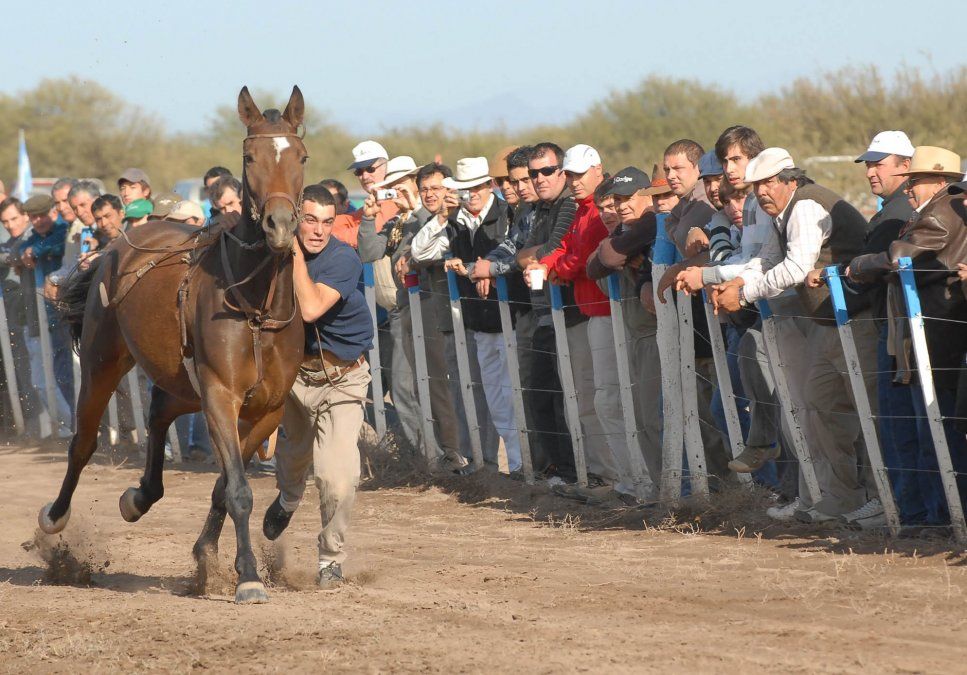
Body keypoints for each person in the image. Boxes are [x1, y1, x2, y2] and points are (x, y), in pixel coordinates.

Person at [713, 148, 877, 524]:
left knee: (869, 412)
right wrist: (736, 280)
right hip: (828, 322)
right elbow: (769, 260)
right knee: (820, 407)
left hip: (855, 318)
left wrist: (745, 293)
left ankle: (883, 499)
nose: (762, 192)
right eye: (757, 186)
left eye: (769, 183)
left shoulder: (805, 206)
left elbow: (797, 266)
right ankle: (842, 497)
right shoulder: (782, 213)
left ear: (790, 180)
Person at [849, 145, 967, 526]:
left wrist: (858, 265)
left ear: (938, 181)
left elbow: (900, 256)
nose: (911, 187)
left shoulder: (941, 213)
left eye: (916, 180)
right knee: (933, 430)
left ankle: (943, 517)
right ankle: (939, 515)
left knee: (936, 431)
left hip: (933, 335)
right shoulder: (942, 209)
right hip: (928, 333)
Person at [262, 184, 373, 588]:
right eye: (310, 220)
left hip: (342, 380)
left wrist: (291, 252)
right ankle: (289, 499)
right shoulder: (269, 257)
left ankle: (330, 559)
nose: (319, 230)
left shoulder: (343, 259)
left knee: (337, 477)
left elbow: (309, 309)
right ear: (294, 219)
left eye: (328, 222)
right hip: (294, 379)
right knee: (292, 459)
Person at [531, 145, 644, 500]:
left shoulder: (599, 210)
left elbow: (585, 258)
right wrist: (554, 264)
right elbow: (565, 248)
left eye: (580, 174)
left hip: (609, 310)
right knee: (602, 399)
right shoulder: (583, 210)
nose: (574, 181)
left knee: (612, 399)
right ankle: (619, 479)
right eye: (571, 175)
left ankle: (627, 480)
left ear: (598, 169)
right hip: (594, 310)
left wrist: (556, 268)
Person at [411, 157, 526, 475]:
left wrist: (481, 268)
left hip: (511, 316)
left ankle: (521, 464)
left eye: (476, 186)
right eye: (464, 189)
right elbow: (419, 252)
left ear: (489, 185)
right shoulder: (457, 220)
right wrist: (444, 216)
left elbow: (512, 250)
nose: (471, 193)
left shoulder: (506, 214)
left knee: (513, 391)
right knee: (494, 396)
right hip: (478, 321)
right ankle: (510, 463)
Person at [357, 157, 467, 473]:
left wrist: (414, 208)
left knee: (424, 385)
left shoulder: (429, 214)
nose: (397, 190)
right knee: (411, 387)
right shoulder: (399, 221)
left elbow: (430, 242)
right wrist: (368, 219)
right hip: (402, 308)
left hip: (429, 305)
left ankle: (440, 456)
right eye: (392, 186)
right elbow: (369, 252)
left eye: (402, 183)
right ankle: (431, 457)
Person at [834, 131, 920, 526]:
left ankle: (906, 507)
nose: (870, 171)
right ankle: (901, 504)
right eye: (868, 163)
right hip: (891, 322)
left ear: (905, 166)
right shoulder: (892, 208)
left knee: (900, 421)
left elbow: (887, 264)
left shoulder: (901, 211)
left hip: (898, 326)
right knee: (895, 420)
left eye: (878, 163)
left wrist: (850, 276)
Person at [20, 195, 73, 436]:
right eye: (34, 217)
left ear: (52, 212)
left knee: (73, 370)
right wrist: (26, 251)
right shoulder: (33, 237)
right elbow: (21, 249)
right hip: (47, 312)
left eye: (42, 214)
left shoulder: (62, 230)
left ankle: (81, 425)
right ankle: (73, 426)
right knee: (60, 372)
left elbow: (57, 245)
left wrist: (33, 250)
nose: (39, 220)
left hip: (67, 306)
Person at [0, 197, 41, 435]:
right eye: (5, 221)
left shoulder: (33, 239)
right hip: (17, 322)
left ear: (26, 216)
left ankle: (50, 426)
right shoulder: (11, 244)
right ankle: (36, 427)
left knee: (38, 374)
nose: (10, 225)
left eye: (14, 218)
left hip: (39, 320)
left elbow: (15, 257)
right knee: (24, 373)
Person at [332, 141, 398, 248]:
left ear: (387, 168)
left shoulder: (396, 197)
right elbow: (350, 219)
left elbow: (366, 234)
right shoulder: (376, 199)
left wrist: (324, 234)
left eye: (370, 169)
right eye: (359, 171)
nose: (365, 176)